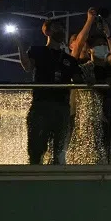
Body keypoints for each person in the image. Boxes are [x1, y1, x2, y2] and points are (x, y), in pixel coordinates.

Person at [17, 19, 82, 165]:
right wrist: (20, 46)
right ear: (46, 31)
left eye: (62, 28)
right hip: (41, 104)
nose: (60, 30)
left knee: (58, 150)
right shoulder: (37, 51)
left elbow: (79, 79)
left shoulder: (69, 59)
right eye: (56, 27)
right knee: (36, 148)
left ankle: (56, 174)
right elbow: (27, 66)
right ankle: (35, 174)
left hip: (62, 106)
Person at [75, 34, 111, 164]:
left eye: (104, 44)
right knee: (94, 153)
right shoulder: (85, 69)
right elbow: (81, 89)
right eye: (98, 44)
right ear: (89, 49)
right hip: (93, 118)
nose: (102, 47)